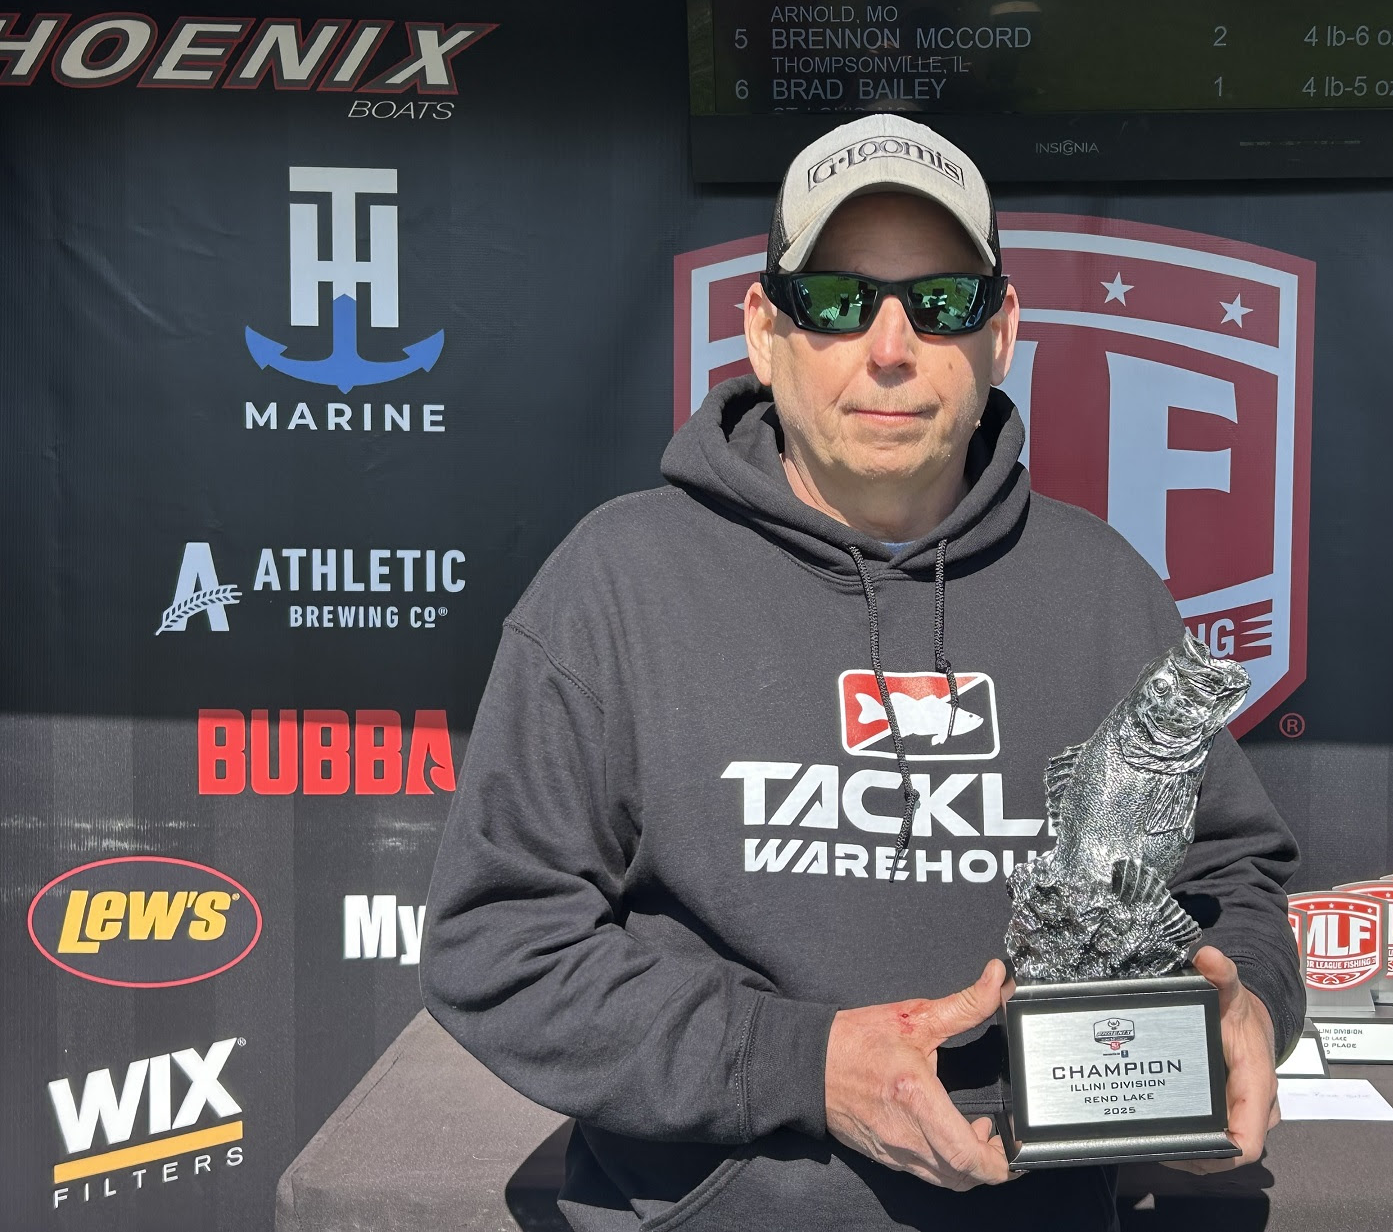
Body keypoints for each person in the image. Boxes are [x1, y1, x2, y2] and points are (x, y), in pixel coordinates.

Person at [421, 113, 1304, 1232]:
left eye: (943, 302)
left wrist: (1247, 1005)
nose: (890, 347)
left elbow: (1231, 876)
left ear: (1001, 333)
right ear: (764, 329)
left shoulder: (1103, 590)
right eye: (838, 301)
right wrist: (803, 1063)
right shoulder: (617, 582)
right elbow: (497, 943)